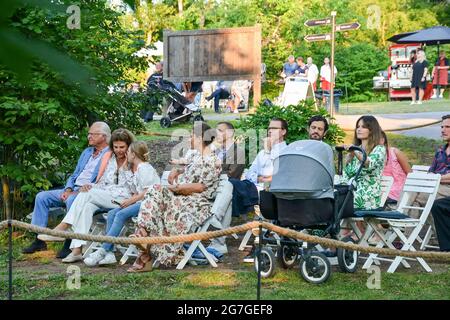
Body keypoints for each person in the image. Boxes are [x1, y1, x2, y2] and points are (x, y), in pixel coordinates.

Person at [127, 122, 222, 272]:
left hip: (195, 203)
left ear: (199, 138)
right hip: (181, 199)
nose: (189, 138)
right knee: (155, 197)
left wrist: (175, 187)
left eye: (191, 135)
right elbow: (189, 167)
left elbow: (200, 186)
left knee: (155, 191)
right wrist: (177, 171)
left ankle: (144, 249)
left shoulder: (212, 160)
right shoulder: (197, 155)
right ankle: (143, 237)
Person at [38, 129, 136, 263]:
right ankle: (77, 251)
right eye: (116, 147)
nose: (118, 150)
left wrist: (132, 198)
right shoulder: (111, 159)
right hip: (107, 195)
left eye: (122, 147)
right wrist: (91, 186)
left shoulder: (134, 161)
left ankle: (63, 227)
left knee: (87, 194)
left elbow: (138, 188)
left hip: (125, 200)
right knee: (86, 206)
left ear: (129, 146)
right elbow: (103, 182)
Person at [22, 122, 111, 257]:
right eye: (89, 134)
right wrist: (68, 188)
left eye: (92, 134)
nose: (89, 136)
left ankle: (68, 243)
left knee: (72, 200)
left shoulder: (109, 154)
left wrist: (78, 191)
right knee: (41, 197)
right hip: (73, 189)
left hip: (88, 192)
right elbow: (75, 174)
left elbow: (102, 180)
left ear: (104, 136)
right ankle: (39, 240)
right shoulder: (87, 152)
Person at [84, 141, 160, 266]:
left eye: (128, 152)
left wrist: (131, 201)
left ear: (134, 154)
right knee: (113, 213)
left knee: (120, 215)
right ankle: (109, 253)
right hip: (141, 202)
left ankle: (103, 250)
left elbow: (149, 191)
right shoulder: (136, 169)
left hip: (150, 204)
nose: (126, 154)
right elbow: (136, 191)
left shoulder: (145, 169)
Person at [342, 115, 386, 210]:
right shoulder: (354, 151)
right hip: (351, 191)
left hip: (368, 196)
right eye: (358, 127)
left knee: (337, 201)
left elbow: (368, 164)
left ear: (372, 130)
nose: (359, 129)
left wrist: (355, 151)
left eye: (363, 127)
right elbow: (346, 174)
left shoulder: (379, 149)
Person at [245, 118, 288, 190]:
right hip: (253, 189)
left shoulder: (287, 151)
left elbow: (277, 176)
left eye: (274, 128)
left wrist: (268, 151)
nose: (270, 131)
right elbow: (249, 174)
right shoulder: (262, 153)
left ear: (283, 131)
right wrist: (260, 179)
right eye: (269, 128)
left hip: (272, 193)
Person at [380, 131, 411, 205]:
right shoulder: (368, 157)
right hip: (379, 189)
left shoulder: (394, 152)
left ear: (382, 140)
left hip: (396, 190)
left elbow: (409, 173)